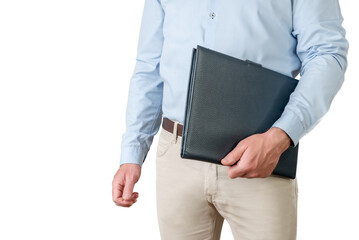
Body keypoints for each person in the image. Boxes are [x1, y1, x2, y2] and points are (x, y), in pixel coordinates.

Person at [112, 0, 349, 239]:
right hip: (176, 157)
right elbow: (149, 66)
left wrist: (280, 137)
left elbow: (327, 55)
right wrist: (132, 152)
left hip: (261, 157)